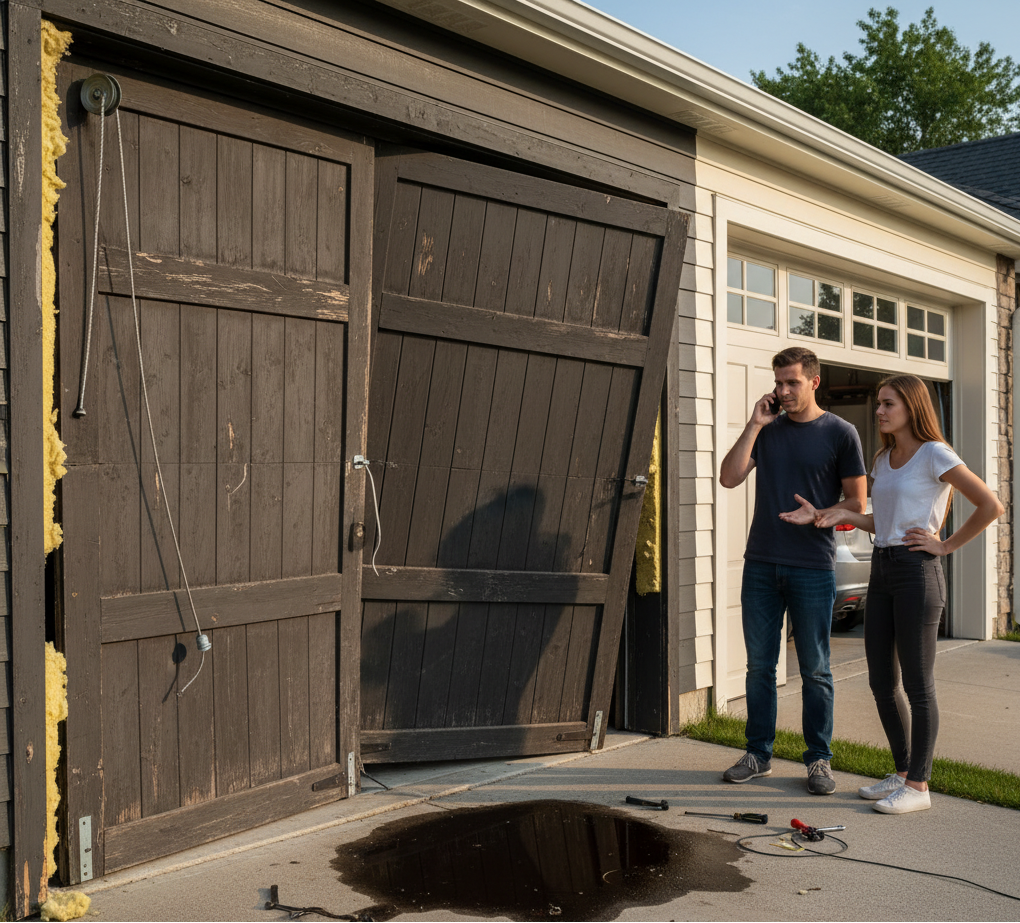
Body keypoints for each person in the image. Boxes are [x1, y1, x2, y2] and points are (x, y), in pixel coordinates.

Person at [807, 375, 1003, 814]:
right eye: (879, 403)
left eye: (887, 403)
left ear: (912, 407)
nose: (878, 411)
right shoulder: (884, 457)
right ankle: (901, 772)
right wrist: (835, 513)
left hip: (919, 573)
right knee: (881, 681)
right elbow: (882, 520)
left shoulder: (936, 454)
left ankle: (919, 786)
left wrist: (945, 545)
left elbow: (990, 505)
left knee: (918, 684)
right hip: (883, 569)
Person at [720, 346, 866, 794]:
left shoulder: (841, 433)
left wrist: (820, 513)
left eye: (792, 383)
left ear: (814, 382)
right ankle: (758, 754)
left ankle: (819, 760)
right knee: (759, 667)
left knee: (816, 669)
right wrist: (754, 424)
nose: (782, 391)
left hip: (811, 566)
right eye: (778, 383)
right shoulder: (769, 429)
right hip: (761, 563)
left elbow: (857, 504)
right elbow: (729, 477)